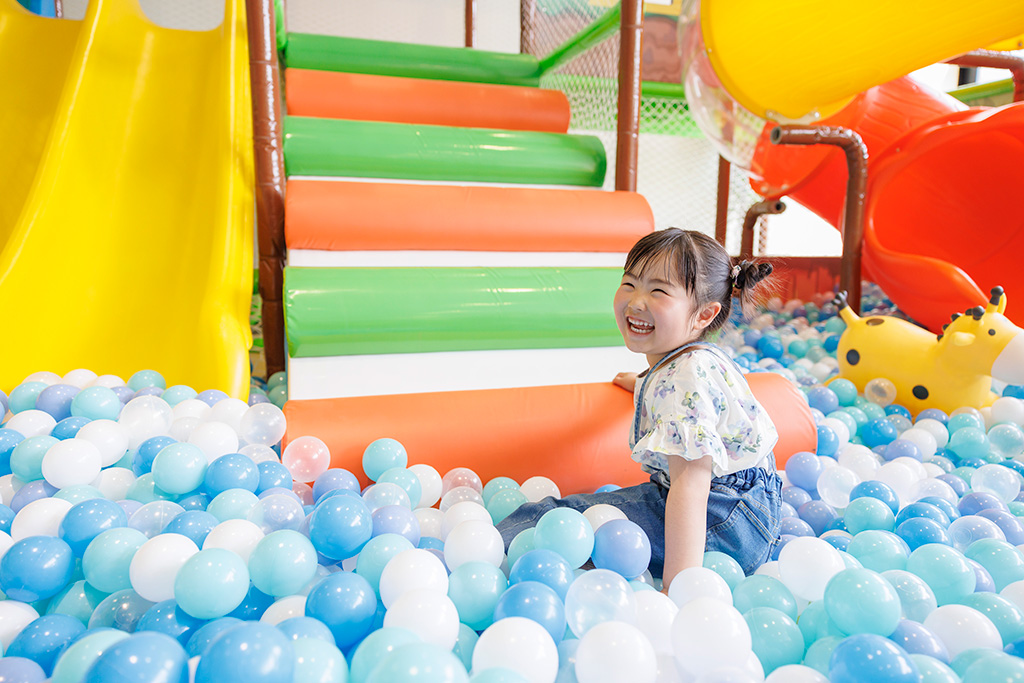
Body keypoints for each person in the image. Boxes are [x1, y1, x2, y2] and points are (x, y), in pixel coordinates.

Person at [497, 228, 782, 589]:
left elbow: (691, 485)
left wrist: (677, 587)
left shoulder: (682, 381)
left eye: (659, 291)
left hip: (722, 519)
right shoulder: (689, 363)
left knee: (552, 519)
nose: (636, 302)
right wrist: (645, 384)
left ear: (705, 314)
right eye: (630, 284)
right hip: (754, 512)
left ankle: (483, 554)